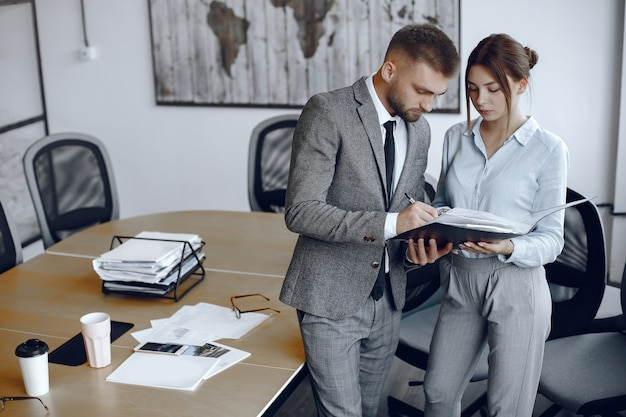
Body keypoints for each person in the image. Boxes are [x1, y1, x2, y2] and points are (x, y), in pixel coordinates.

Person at [279, 24, 459, 417]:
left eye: (438, 95)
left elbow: (401, 214)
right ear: (390, 70)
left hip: (390, 301)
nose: (429, 105)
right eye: (423, 91)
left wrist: (419, 248)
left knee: (374, 410)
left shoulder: (421, 131)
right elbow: (301, 210)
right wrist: (395, 223)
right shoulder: (328, 111)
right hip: (330, 299)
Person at [423, 33, 569, 417]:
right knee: (438, 393)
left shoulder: (549, 150)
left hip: (515, 283)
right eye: (472, 89)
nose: (480, 101)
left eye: (492, 89)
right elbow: (443, 202)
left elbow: (553, 240)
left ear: (520, 85)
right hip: (459, 278)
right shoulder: (457, 137)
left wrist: (507, 247)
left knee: (507, 408)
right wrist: (434, 219)